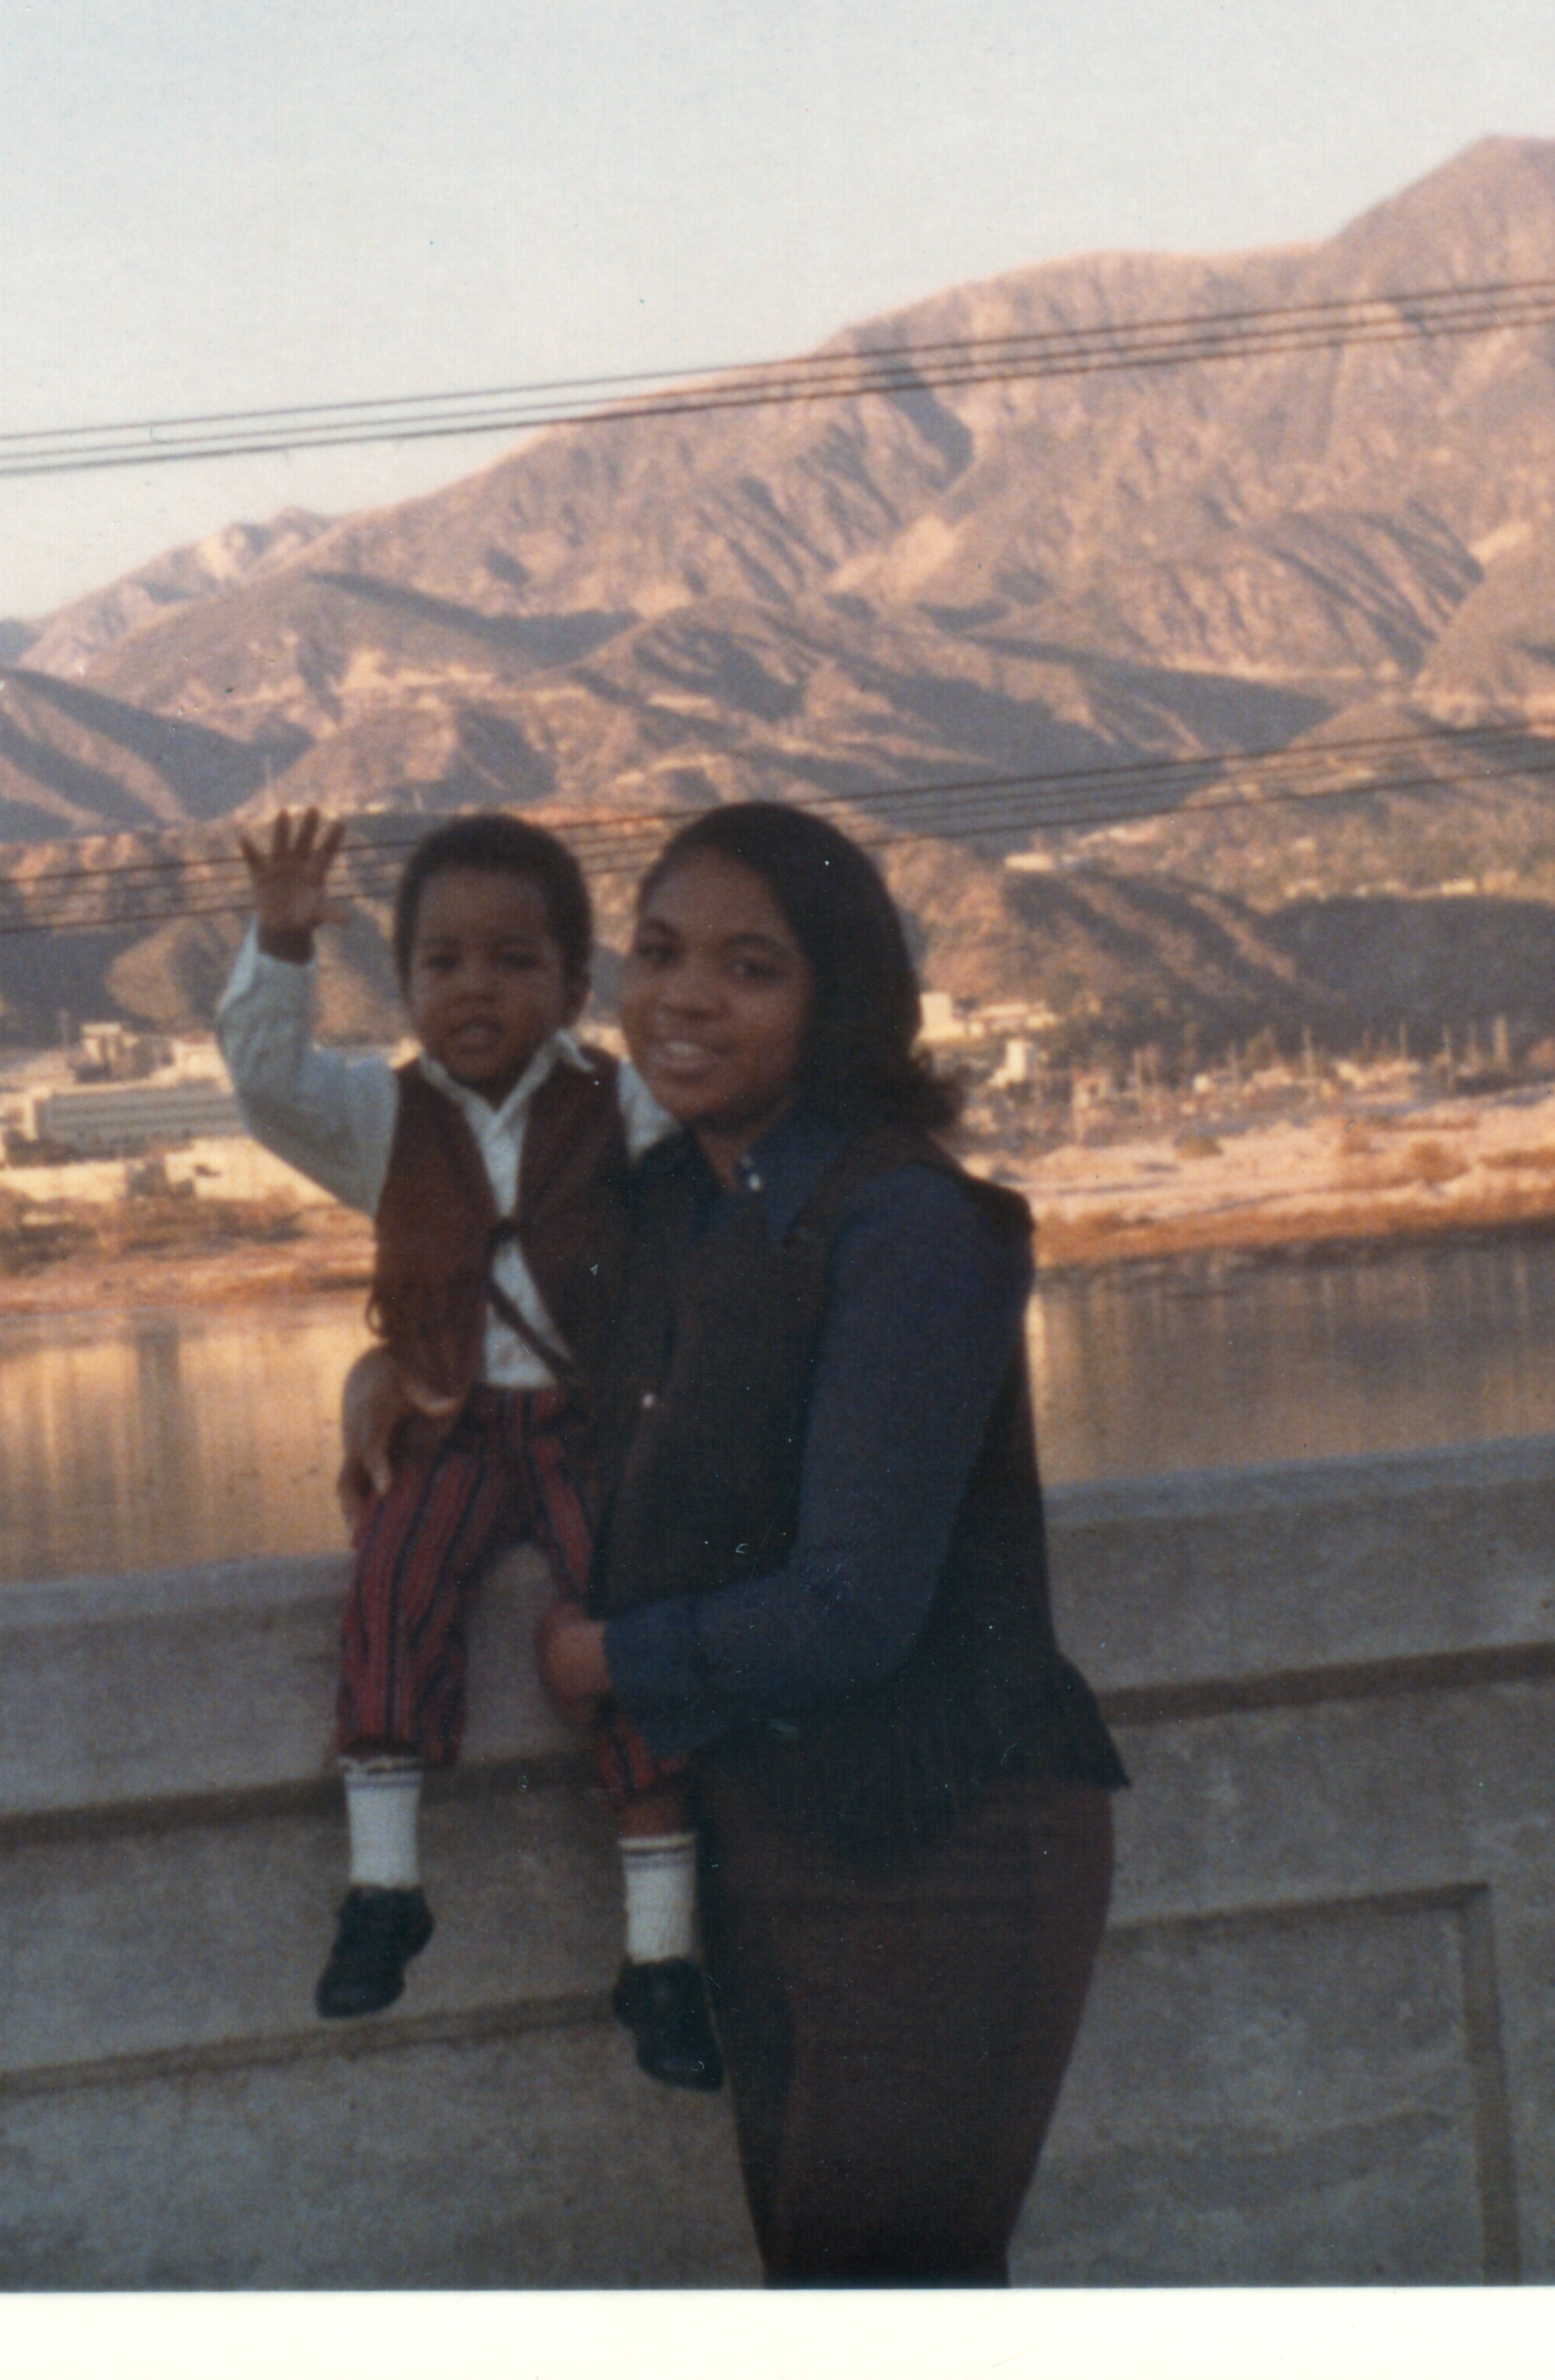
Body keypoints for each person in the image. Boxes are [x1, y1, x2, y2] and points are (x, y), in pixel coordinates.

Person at [535, 801, 1128, 2285]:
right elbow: (498, 1340)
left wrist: (611, 1655)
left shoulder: (917, 1225)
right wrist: (381, 1377)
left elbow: (856, 1605)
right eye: (659, 952)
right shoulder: (677, 1202)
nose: (683, 996)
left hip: (951, 1845)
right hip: (769, 1839)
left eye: (750, 967)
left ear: (840, 1000)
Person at [214, 805, 722, 2090]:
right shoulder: (374, 1120)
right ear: (403, 983)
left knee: (631, 1626)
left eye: (511, 959)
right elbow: (265, 1079)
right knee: (390, 1584)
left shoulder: (631, 1107)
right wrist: (278, 942)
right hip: (446, 1422)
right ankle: (387, 1887)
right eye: (441, 963)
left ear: (572, 981)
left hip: (594, 1428)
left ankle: (661, 1957)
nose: (475, 987)